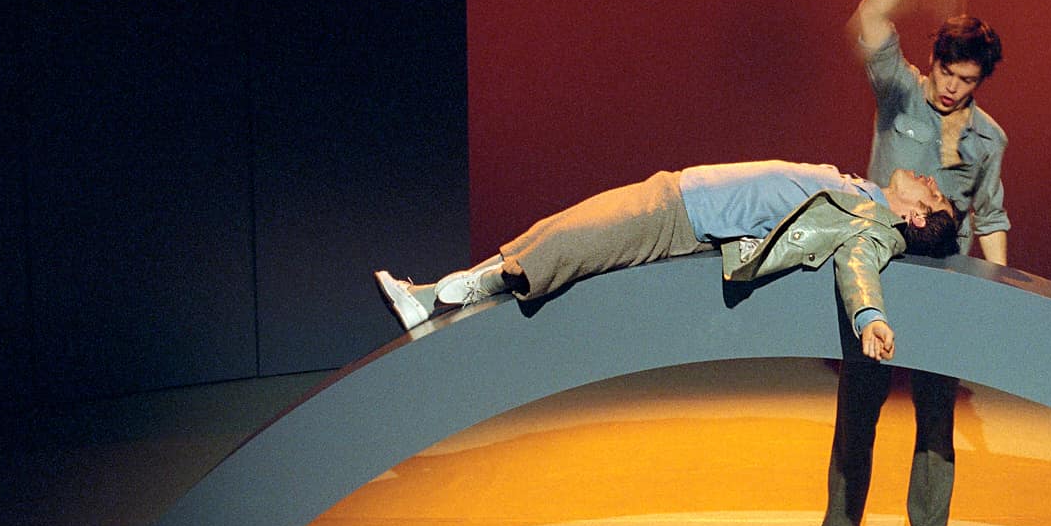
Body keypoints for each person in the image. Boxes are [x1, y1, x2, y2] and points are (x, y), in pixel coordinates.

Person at [808, 0, 1010, 526]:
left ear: (980, 80)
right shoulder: (900, 94)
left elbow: (990, 217)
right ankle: (839, 522)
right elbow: (868, 19)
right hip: (878, 268)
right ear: (934, 61)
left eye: (966, 79)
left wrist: (997, 293)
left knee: (935, 408)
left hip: (945, 278)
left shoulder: (988, 139)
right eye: (947, 71)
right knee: (859, 402)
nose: (952, 87)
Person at [375, 161, 957, 360]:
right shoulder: (861, 192)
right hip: (680, 191)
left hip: (683, 216)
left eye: (934, 196)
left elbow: (858, 269)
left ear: (914, 219)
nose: (930, 182)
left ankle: (440, 295)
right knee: (562, 231)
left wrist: (869, 319)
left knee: (571, 241)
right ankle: (441, 293)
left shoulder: (869, 226)